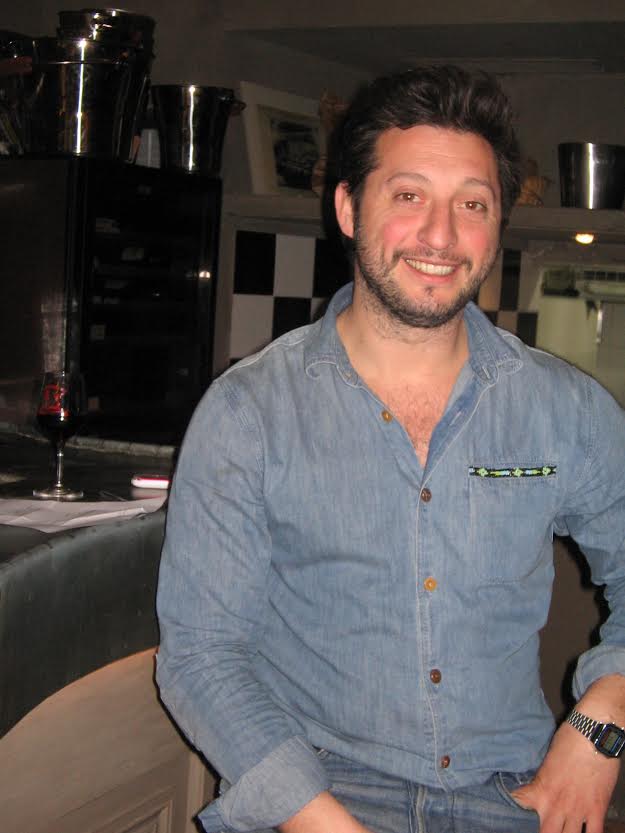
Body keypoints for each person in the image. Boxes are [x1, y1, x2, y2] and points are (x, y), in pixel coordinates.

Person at [156, 65, 625, 833]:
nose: (440, 236)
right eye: (408, 196)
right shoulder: (248, 411)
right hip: (314, 795)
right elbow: (201, 654)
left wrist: (602, 718)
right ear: (348, 207)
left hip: (508, 795)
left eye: (471, 204)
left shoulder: (564, 409)